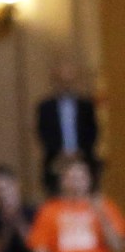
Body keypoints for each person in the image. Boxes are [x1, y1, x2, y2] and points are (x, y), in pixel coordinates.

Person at [31, 154, 124, 252]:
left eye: (81, 178)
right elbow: (41, 250)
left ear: (88, 180)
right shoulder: (49, 210)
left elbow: (118, 246)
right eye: (72, 177)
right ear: (63, 181)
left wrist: (102, 216)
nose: (76, 182)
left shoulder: (105, 207)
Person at [38, 59, 101, 197]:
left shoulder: (86, 105)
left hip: (84, 158)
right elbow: (43, 133)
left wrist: (79, 152)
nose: (66, 84)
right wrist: (61, 153)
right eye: (62, 80)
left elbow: (93, 131)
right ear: (56, 81)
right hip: (56, 161)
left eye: (69, 80)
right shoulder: (45, 107)